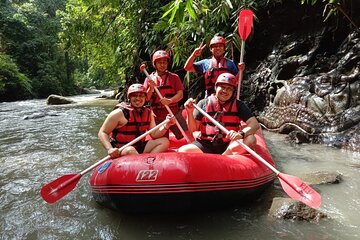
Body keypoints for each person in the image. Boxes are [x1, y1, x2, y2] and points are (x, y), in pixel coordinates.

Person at [178, 72, 259, 155]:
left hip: (229, 144)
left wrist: (240, 134)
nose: (225, 91)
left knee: (251, 139)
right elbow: (193, 129)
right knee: (183, 151)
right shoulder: (203, 103)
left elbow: (255, 124)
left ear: (233, 91)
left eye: (229, 89)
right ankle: (223, 158)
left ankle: (224, 156)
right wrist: (189, 112)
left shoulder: (239, 105)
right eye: (222, 87)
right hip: (206, 144)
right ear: (216, 87)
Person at [98, 83, 176, 158]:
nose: (138, 98)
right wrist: (110, 149)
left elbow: (154, 134)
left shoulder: (148, 113)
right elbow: (103, 132)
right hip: (122, 148)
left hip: (139, 146)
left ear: (145, 98)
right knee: (130, 150)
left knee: (164, 141)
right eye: (134, 96)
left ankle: (147, 161)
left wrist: (167, 125)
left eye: (141, 96)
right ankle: (143, 162)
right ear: (129, 98)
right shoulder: (119, 113)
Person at [143, 50, 194, 141]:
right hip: (157, 115)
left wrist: (170, 100)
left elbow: (180, 94)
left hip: (174, 112)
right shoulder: (149, 79)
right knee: (162, 140)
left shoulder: (174, 77)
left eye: (164, 62)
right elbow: (146, 98)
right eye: (159, 63)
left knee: (188, 135)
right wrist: (150, 88)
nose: (162, 65)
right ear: (155, 64)